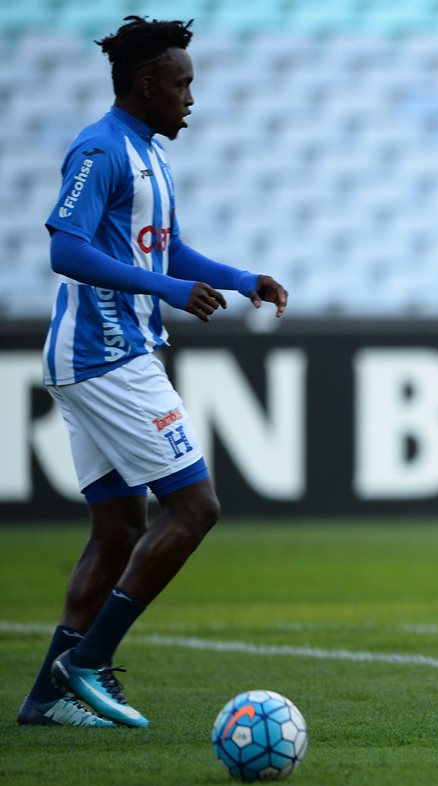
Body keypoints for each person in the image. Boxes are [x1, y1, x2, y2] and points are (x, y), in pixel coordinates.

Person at [16, 16, 288, 728]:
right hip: (108, 356)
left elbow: (163, 249)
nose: (191, 98)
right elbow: (65, 250)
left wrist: (239, 278)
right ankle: (86, 661)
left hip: (101, 358)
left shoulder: (148, 153)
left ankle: (47, 696)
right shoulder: (100, 150)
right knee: (196, 509)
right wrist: (165, 292)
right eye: (182, 84)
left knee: (117, 531)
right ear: (147, 85)